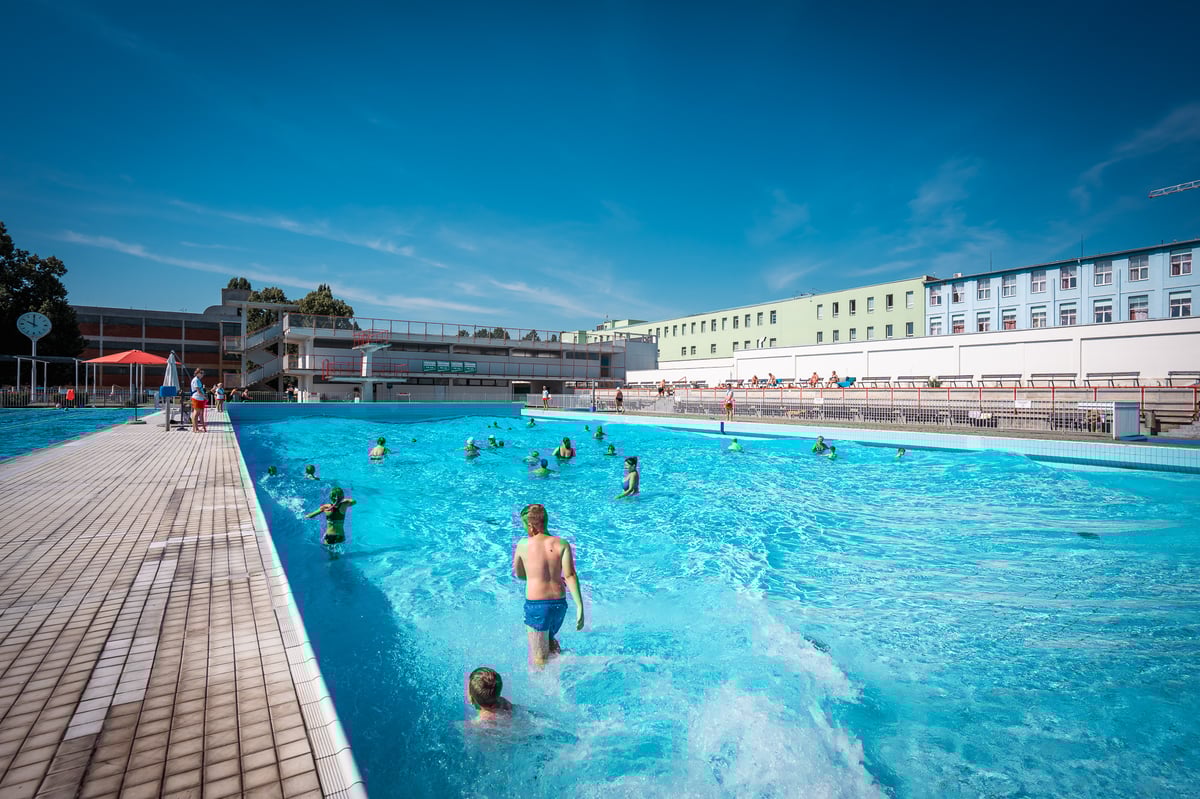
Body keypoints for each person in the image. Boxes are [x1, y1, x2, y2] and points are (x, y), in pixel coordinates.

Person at [512, 504, 584, 666]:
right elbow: (570, 575)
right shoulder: (562, 544)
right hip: (559, 605)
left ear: (530, 526)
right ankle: (564, 668)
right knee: (550, 643)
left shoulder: (523, 544)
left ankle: (546, 689)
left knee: (538, 658)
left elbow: (520, 574)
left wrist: (534, 575)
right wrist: (580, 606)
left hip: (537, 607)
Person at [189, 368, 208, 433]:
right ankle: (195, 429)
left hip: (199, 398)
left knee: (198, 413)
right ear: (198, 373)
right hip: (197, 398)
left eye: (203, 373)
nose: (203, 375)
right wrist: (205, 397)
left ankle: (196, 428)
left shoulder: (198, 380)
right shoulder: (196, 380)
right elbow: (198, 391)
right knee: (196, 413)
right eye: (202, 373)